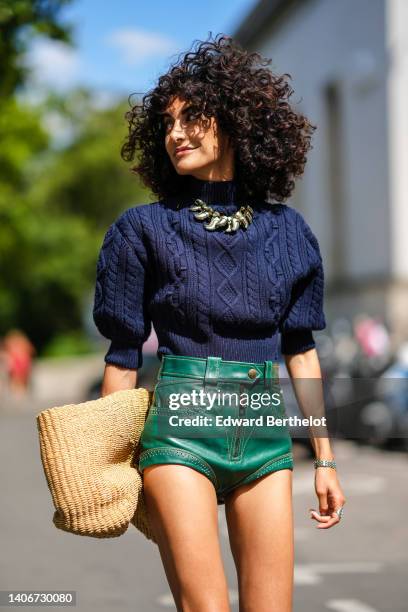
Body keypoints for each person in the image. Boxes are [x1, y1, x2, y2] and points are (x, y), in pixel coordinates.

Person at [93, 34, 346, 612]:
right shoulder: (142, 230)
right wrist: (106, 461)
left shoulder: (289, 233)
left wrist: (325, 457)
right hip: (179, 430)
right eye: (167, 123)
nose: (175, 133)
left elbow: (301, 350)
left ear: (233, 122)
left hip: (263, 433)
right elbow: (124, 353)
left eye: (192, 118)